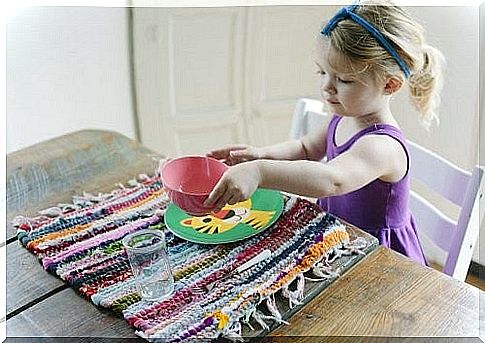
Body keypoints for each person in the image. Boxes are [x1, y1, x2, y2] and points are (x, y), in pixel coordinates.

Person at [204, 0, 445, 266]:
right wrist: (260, 155)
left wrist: (261, 172)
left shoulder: (382, 146)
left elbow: (332, 180)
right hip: (340, 240)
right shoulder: (343, 116)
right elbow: (306, 148)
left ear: (389, 84)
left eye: (344, 80)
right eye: (322, 72)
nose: (326, 87)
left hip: (381, 260)